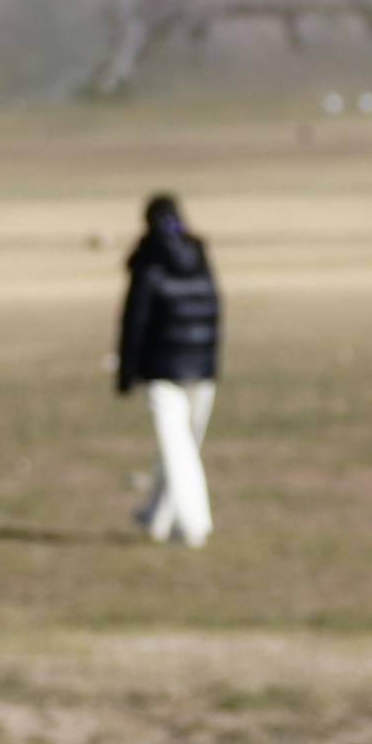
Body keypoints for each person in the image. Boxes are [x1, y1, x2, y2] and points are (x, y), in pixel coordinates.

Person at [115, 194, 221, 545]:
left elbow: (135, 319)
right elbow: (214, 309)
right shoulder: (198, 254)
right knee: (181, 444)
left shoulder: (148, 260)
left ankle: (193, 525)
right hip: (201, 368)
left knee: (177, 447)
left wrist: (127, 371)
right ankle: (156, 517)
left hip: (163, 368)